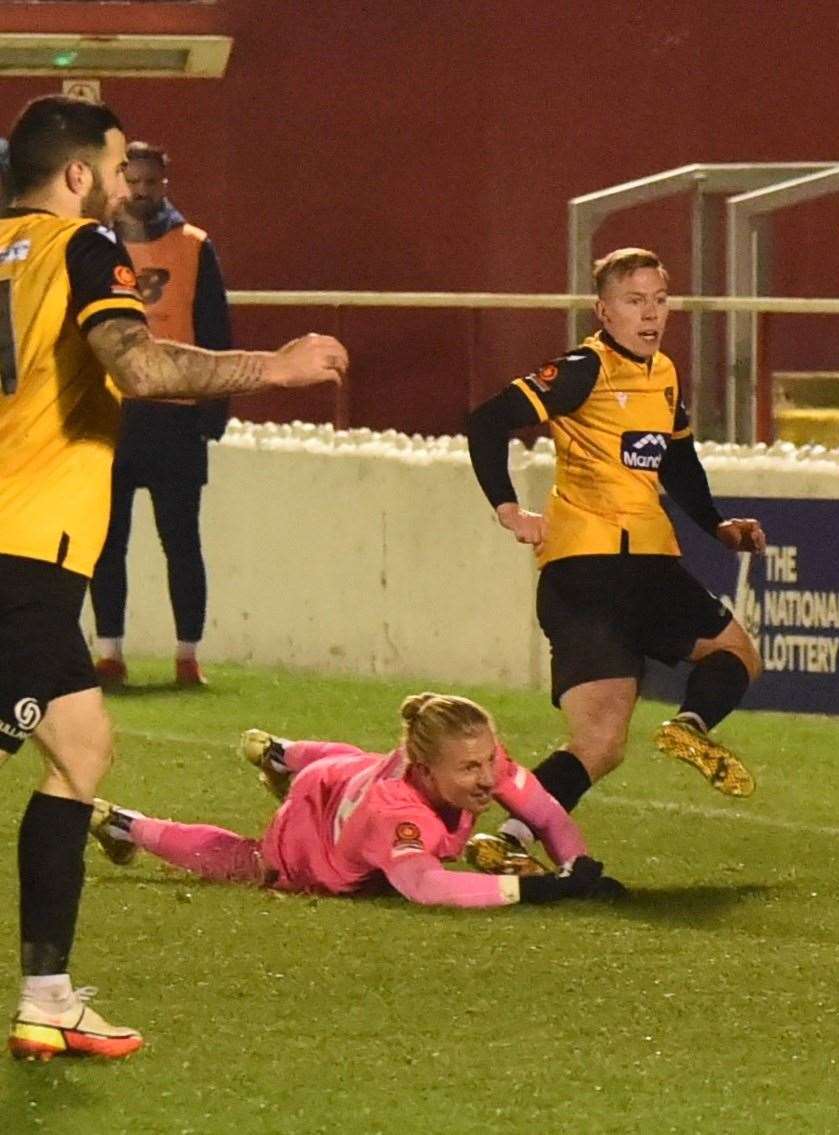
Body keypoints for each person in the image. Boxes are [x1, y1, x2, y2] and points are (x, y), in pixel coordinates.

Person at [0, 94, 346, 1062]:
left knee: (78, 747)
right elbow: (140, 365)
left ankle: (48, 995)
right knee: (68, 749)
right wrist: (270, 367)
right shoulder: (81, 251)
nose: (120, 187)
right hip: (22, 552)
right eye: (113, 169)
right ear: (77, 175)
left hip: (28, 555)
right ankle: (45, 993)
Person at [464, 247, 765, 841]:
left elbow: (678, 460)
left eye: (659, 301)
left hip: (647, 567)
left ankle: (686, 729)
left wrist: (718, 526)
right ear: (604, 311)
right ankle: (512, 839)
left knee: (720, 668)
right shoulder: (584, 368)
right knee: (609, 736)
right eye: (634, 302)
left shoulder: (665, 372)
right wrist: (507, 509)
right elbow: (487, 421)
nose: (650, 315)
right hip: (588, 568)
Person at [83, 693, 623, 916]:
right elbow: (428, 887)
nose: (488, 778)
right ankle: (125, 824)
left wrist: (579, 867)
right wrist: (540, 889)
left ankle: (280, 752)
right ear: (427, 769)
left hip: (345, 776)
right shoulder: (399, 814)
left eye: (489, 762)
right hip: (311, 826)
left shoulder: (474, 760)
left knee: (350, 760)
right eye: (470, 769)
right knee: (246, 864)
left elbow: (547, 813)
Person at [90, 141, 235, 688]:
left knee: (182, 541)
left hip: (175, 416)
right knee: (106, 541)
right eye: (134, 182)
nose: (142, 192)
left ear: (165, 184)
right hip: (111, 412)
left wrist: (212, 411)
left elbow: (215, 331)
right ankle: (109, 653)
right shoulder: (95, 245)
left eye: (152, 182)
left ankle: (187, 655)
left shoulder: (193, 246)